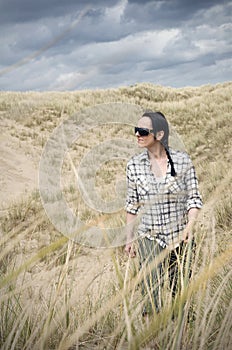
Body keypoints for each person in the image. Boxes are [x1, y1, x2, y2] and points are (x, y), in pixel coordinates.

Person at [125, 111, 203, 315]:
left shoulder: (182, 160)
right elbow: (132, 205)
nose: (137, 135)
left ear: (159, 134)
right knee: (150, 300)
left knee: (182, 298)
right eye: (136, 130)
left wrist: (190, 226)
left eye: (143, 131)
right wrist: (129, 239)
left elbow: (194, 198)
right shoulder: (133, 165)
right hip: (150, 238)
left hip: (181, 238)